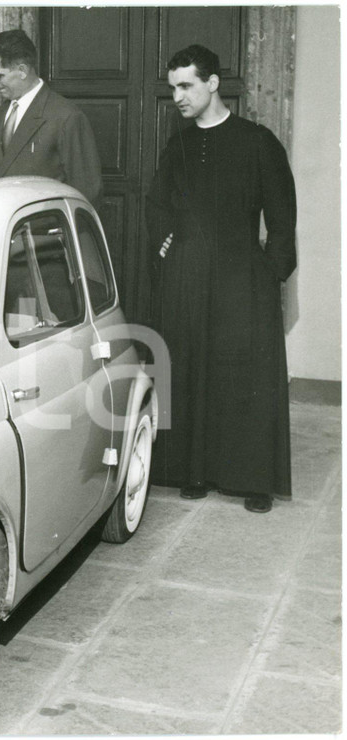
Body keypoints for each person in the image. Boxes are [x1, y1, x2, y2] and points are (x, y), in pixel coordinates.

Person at [146, 44, 297, 514]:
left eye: (186, 85)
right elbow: (158, 205)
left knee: (244, 376)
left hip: (243, 281)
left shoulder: (258, 141)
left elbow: (282, 218)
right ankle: (194, 471)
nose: (178, 97)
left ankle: (252, 480)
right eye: (173, 87)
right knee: (191, 369)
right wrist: (167, 248)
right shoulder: (181, 144)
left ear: (213, 83)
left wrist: (269, 273)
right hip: (189, 279)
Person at [0, 29, 103, 206]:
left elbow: (87, 192)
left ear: (22, 71)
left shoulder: (66, 116)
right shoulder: (2, 113)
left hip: (48, 233)